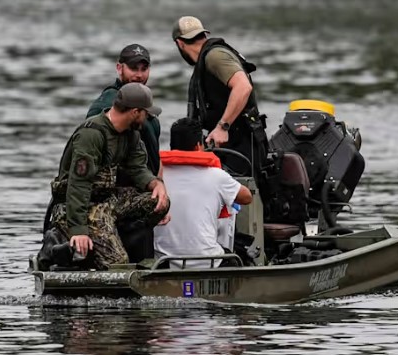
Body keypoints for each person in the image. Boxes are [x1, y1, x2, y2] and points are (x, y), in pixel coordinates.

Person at [40, 83, 170, 270]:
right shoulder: (92, 134)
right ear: (135, 112)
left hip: (108, 202)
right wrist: (79, 230)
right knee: (117, 264)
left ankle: (110, 236)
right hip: (80, 208)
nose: (148, 118)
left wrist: (155, 184)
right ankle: (62, 243)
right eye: (146, 113)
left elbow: (137, 168)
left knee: (160, 202)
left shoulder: (131, 134)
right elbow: (79, 184)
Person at [86, 43, 162, 262]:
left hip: (140, 195)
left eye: (143, 69)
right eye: (133, 68)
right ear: (119, 68)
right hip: (116, 199)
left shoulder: (143, 103)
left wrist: (158, 185)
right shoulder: (108, 106)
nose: (139, 75)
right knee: (124, 262)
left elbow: (151, 156)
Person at [172, 16, 268, 177]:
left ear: (179, 43)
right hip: (231, 146)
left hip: (243, 146)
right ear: (203, 35)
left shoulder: (215, 56)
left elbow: (243, 87)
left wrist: (222, 127)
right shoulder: (206, 60)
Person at [154, 118, 252, 269]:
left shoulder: (156, 179)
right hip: (208, 261)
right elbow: (247, 197)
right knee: (240, 257)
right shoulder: (217, 176)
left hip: (164, 262)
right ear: (198, 145)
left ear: (171, 146)